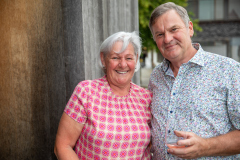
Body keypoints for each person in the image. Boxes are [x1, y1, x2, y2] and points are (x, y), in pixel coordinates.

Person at [148, 2, 240, 160]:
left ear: (190, 28)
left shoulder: (228, 70)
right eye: (160, 34)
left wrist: (206, 146)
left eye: (174, 29)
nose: (168, 39)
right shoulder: (156, 76)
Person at [54, 31, 152, 160]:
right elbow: (62, 146)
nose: (123, 64)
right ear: (103, 59)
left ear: (136, 59)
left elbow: (152, 145)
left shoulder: (146, 97)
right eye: (115, 58)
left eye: (128, 58)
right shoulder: (86, 92)